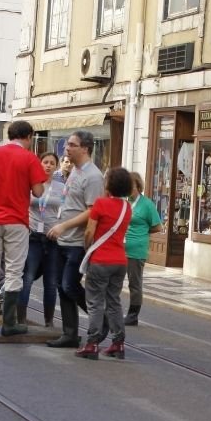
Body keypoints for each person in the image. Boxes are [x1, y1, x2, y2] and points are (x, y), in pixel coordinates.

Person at [0, 121, 46, 336]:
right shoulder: (30, 158)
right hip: (17, 221)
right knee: (14, 270)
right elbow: (39, 191)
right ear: (29, 136)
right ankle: (8, 324)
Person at [45, 131, 104, 348]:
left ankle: (101, 317)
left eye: (71, 144)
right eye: (67, 144)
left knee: (70, 285)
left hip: (77, 241)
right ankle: (70, 333)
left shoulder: (94, 176)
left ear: (85, 148)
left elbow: (92, 212)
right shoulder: (75, 171)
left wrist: (64, 225)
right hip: (63, 240)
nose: (66, 148)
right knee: (62, 286)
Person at [76, 167, 133, 359]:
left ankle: (92, 343)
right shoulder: (127, 207)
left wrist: (87, 248)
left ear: (108, 184)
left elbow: (89, 232)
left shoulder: (100, 204)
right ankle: (118, 343)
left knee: (95, 302)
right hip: (120, 260)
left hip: (101, 259)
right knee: (114, 302)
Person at [17, 152, 60, 326]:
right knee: (27, 277)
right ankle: (20, 319)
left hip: (53, 238)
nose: (48, 165)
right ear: (39, 165)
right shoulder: (31, 185)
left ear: (56, 166)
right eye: (45, 162)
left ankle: (49, 321)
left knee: (51, 282)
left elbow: (65, 211)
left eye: (52, 163)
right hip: (33, 236)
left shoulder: (62, 187)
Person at [123, 172, 162, 326]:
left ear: (138, 186)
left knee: (134, 282)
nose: (128, 188)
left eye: (131, 185)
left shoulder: (147, 204)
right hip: (120, 247)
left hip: (136, 249)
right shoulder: (125, 202)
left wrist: (143, 233)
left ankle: (133, 315)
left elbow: (158, 226)